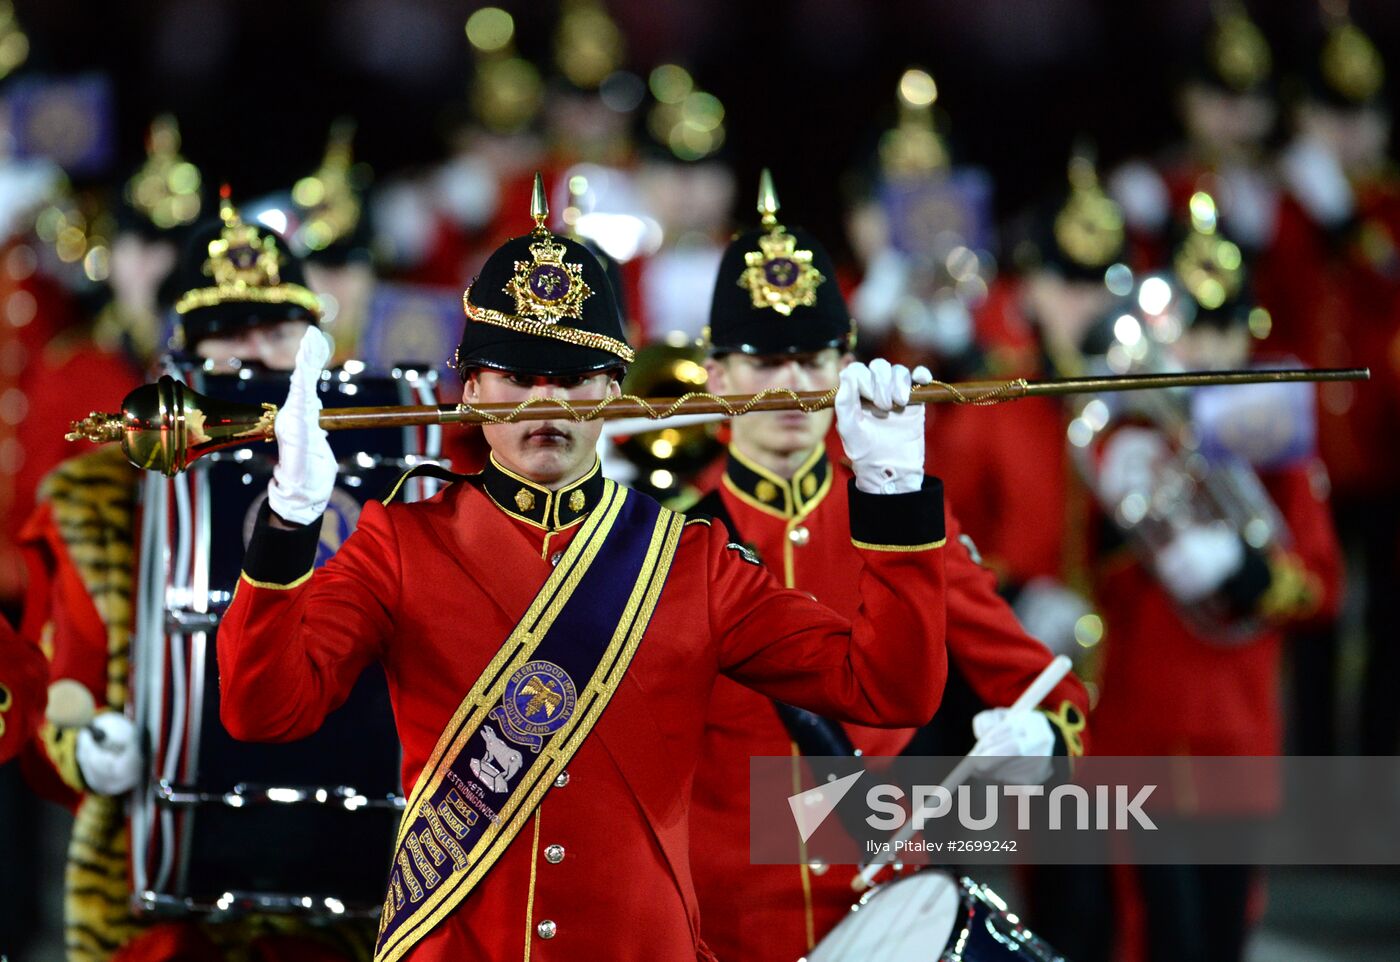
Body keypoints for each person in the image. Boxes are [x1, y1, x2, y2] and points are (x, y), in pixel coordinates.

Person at [216, 178, 952, 962]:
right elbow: (262, 712)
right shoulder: (401, 542)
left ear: (611, 389)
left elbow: (887, 688)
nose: (546, 401)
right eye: (518, 375)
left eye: (572, 376)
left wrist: (891, 496)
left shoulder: (689, 561)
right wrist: (289, 522)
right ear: (470, 390)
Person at [687, 172, 1089, 961]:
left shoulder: (900, 516)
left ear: (846, 363)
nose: (791, 388)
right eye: (762, 362)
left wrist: (1041, 741)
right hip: (717, 931)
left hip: (882, 917)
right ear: (716, 374)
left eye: (811, 360)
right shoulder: (666, 537)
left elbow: (1051, 689)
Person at [18, 196, 373, 962]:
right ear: (178, 354)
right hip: (166, 913)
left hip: (355, 901)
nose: (253, 356)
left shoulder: (388, 477)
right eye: (226, 335)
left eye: (278, 333)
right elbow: (65, 681)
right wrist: (84, 743)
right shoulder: (100, 500)